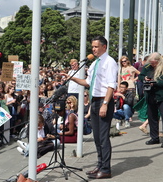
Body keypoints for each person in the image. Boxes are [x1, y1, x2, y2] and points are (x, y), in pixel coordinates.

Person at [71, 36, 118, 179]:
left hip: (104, 101)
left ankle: (106, 169)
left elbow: (111, 85)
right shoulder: (94, 63)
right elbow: (87, 82)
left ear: (104, 47)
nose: (93, 49)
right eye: (92, 47)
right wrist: (72, 77)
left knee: (103, 137)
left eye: (96, 47)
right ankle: (100, 164)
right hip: (94, 101)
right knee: (97, 137)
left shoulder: (109, 62)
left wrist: (105, 104)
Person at [138, 52, 163, 146]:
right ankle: (154, 137)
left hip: (161, 95)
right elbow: (140, 76)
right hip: (150, 95)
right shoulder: (148, 67)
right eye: (151, 62)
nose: (152, 64)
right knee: (152, 117)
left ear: (158, 61)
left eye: (154, 63)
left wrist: (155, 82)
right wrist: (145, 78)